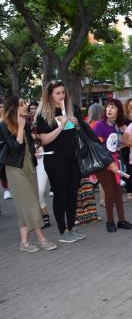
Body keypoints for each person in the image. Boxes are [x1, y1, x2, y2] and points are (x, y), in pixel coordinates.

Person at [0, 96, 57, 252]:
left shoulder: (25, 124)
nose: (25, 106)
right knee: (31, 204)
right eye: (21, 105)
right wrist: (19, 127)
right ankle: (41, 239)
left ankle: (24, 242)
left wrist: (35, 148)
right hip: (14, 169)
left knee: (23, 207)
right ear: (12, 108)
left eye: (24, 104)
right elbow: (16, 147)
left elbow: (29, 146)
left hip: (29, 166)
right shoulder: (3, 125)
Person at [36, 80, 86, 243]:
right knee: (61, 194)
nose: (61, 96)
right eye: (58, 93)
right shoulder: (44, 113)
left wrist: (77, 124)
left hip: (72, 157)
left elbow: (78, 132)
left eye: (63, 92)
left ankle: (71, 227)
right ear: (50, 94)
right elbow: (44, 139)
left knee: (73, 193)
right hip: (55, 158)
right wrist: (60, 126)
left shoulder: (72, 108)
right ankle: (62, 230)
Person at [93, 99, 132, 233]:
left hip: (114, 162)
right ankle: (110, 222)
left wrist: (125, 136)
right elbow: (98, 147)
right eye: (108, 106)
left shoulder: (117, 126)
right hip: (103, 164)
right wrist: (109, 162)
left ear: (119, 111)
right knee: (109, 192)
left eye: (113, 107)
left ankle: (121, 221)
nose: (109, 109)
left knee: (117, 192)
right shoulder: (100, 125)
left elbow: (119, 145)